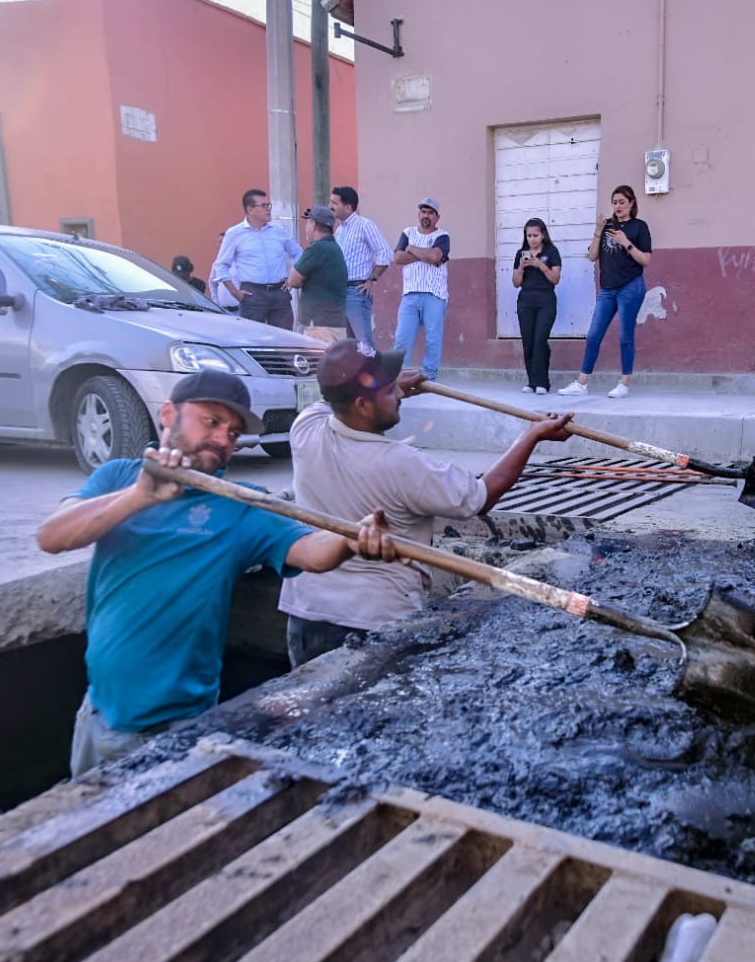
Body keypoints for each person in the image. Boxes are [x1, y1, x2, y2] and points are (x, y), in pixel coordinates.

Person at [35, 370, 398, 777]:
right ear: (168, 414)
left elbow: (312, 551)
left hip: (178, 729)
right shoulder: (118, 476)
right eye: (212, 421)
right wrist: (139, 497)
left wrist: (351, 537)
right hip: (98, 714)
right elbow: (52, 536)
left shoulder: (239, 505)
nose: (224, 439)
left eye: (234, 431)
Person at [279, 339, 573, 667]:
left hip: (304, 616)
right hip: (374, 625)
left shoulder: (304, 429)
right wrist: (531, 436)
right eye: (391, 392)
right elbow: (481, 496)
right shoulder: (402, 464)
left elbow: (332, 397)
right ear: (362, 406)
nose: (401, 394)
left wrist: (386, 386)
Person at [558, 184, 651, 399]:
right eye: (615, 202)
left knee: (625, 335)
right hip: (608, 289)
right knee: (593, 335)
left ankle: (624, 383)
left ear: (631, 203)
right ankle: (582, 383)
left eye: (622, 202)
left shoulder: (639, 227)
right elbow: (592, 256)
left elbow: (645, 259)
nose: (617, 206)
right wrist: (599, 230)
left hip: (631, 286)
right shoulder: (607, 225)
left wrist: (625, 242)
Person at [211, 188, 303, 330]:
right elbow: (221, 265)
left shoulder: (278, 230)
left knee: (285, 339)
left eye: (269, 205)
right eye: (264, 206)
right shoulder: (235, 233)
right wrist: (235, 293)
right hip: (253, 293)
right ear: (250, 209)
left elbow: (298, 254)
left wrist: (292, 277)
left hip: (280, 292)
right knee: (253, 339)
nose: (269, 209)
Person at [392, 198, 451, 380]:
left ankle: (429, 379)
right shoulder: (407, 232)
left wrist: (411, 249)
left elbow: (435, 256)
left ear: (437, 217)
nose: (426, 215)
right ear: (419, 214)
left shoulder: (442, 236)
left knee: (433, 340)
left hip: (434, 295)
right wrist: (424, 254)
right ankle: (399, 378)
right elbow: (397, 258)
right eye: (423, 211)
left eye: (430, 212)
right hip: (409, 295)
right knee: (402, 339)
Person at [329, 186, 393, 345]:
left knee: (364, 343)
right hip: (341, 293)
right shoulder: (339, 230)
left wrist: (372, 280)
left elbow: (385, 253)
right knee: (351, 345)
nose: (330, 206)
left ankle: (374, 370)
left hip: (356, 292)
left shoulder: (365, 225)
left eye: (334, 203)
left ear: (348, 207)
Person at [512, 217, 562, 394]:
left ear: (543, 235)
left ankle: (543, 382)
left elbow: (555, 279)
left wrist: (541, 265)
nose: (532, 239)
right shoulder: (521, 253)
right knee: (528, 341)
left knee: (540, 339)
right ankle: (532, 381)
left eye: (535, 235)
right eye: (529, 235)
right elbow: (516, 283)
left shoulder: (551, 251)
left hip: (546, 299)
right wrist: (521, 267)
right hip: (526, 300)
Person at [286, 205, 351, 341]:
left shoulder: (317, 248)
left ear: (313, 225)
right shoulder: (333, 247)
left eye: (308, 222)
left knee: (316, 362)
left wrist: (301, 276)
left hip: (319, 326)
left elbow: (293, 280)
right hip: (332, 323)